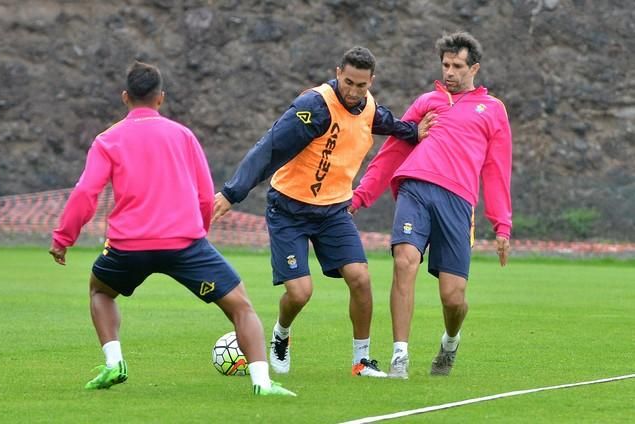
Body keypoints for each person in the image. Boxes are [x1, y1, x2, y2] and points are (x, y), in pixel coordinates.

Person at [49, 61, 295, 396]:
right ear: (160, 98)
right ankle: (262, 383)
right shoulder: (183, 135)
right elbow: (204, 193)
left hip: (128, 247)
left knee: (101, 291)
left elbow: (86, 192)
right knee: (241, 306)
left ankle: (113, 363)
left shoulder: (108, 140)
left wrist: (64, 238)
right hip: (184, 246)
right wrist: (199, 232)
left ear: (125, 97)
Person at [213, 46, 434, 378]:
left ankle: (362, 362)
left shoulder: (369, 107)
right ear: (337, 72)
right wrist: (232, 193)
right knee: (300, 293)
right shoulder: (313, 107)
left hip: (333, 211)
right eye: (348, 82)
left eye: (361, 85)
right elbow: (269, 149)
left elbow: (388, 123)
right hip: (289, 209)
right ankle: (281, 333)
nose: (353, 91)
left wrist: (413, 132)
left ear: (371, 81)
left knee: (360, 279)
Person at [351, 31, 512, 378]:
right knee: (404, 260)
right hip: (415, 189)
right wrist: (361, 196)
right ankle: (399, 357)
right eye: (445, 65)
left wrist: (502, 225)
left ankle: (450, 342)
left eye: (457, 66)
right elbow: (392, 151)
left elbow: (497, 171)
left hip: (457, 202)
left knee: (453, 298)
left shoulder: (493, 110)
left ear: (475, 68)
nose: (449, 72)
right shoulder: (426, 102)